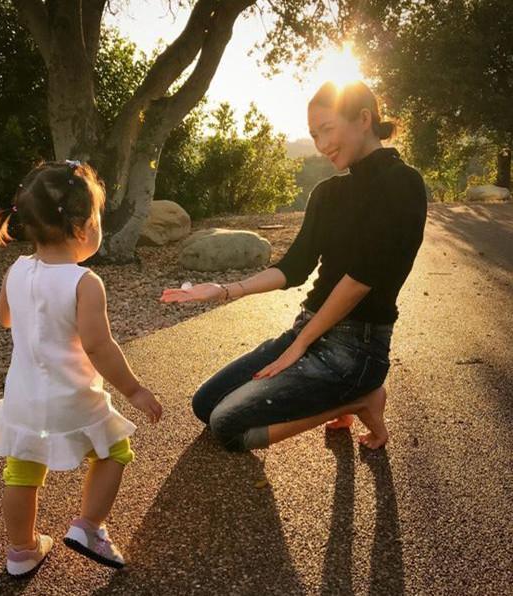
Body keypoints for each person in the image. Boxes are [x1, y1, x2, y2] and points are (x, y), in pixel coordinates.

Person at [161, 80, 427, 454]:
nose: (321, 145)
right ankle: (345, 394)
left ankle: (361, 398)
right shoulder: (328, 194)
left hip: (356, 349)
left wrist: (299, 346)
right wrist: (223, 291)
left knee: (228, 426)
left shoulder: (403, 185)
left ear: (364, 119)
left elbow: (360, 281)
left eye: (328, 130)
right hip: (308, 329)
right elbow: (294, 267)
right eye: (314, 135)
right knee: (205, 405)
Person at [0, 160, 162, 576]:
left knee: (21, 469)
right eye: (97, 217)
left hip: (23, 398)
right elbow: (99, 346)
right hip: (73, 397)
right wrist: (133, 389)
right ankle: (89, 526)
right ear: (81, 226)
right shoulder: (84, 282)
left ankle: (21, 552)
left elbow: (4, 317)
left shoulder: (16, 270)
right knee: (114, 451)